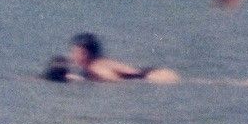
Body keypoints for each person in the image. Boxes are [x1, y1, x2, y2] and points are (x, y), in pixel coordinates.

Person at [46, 33, 179, 84]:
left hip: (157, 77)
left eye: (77, 52)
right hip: (154, 73)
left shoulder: (96, 66)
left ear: (87, 53)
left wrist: (85, 79)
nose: (73, 56)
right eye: (73, 52)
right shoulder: (98, 62)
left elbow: (113, 79)